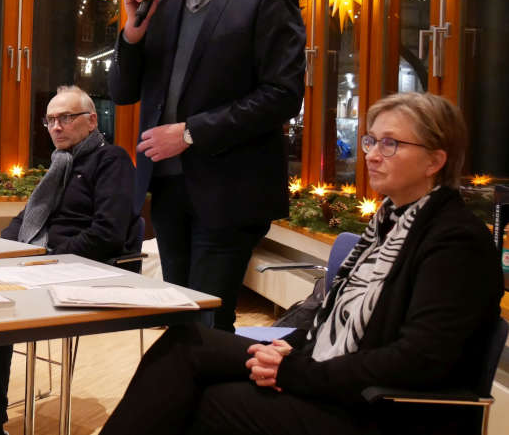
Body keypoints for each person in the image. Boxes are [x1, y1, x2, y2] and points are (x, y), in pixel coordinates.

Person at [98, 92, 504, 435]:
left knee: (209, 401)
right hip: (334, 374)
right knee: (187, 344)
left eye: (391, 144)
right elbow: (330, 319)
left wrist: (293, 372)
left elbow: (418, 360)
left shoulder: (455, 241)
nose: (373, 156)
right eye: (370, 141)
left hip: (379, 408)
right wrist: (285, 348)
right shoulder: (388, 223)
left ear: (435, 161)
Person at [109, 0, 306, 332]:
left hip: (232, 188)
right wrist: (131, 33)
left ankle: (219, 403)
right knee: (180, 318)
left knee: (209, 322)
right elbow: (122, 91)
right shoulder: (166, 1)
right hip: (169, 187)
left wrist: (190, 132)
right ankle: (192, 401)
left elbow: (282, 95)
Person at [0, 85, 138, 435]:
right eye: (51, 119)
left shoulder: (111, 160)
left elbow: (107, 234)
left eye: (66, 118)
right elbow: (24, 220)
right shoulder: (59, 163)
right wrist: (6, 251)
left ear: (92, 120)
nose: (56, 127)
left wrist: (46, 258)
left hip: (81, 268)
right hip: (37, 262)